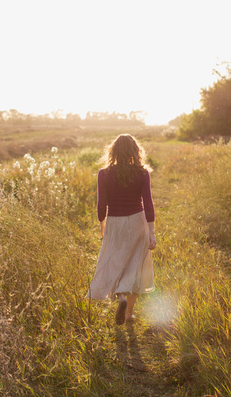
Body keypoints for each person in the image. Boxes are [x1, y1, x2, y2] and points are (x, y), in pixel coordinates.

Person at [86, 134, 156, 325]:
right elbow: (148, 204)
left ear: (113, 151)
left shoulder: (104, 174)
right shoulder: (142, 173)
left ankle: (121, 297)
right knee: (135, 266)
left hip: (115, 222)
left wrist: (102, 224)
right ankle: (129, 313)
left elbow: (102, 205)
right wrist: (151, 232)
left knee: (116, 262)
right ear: (135, 151)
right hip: (137, 222)